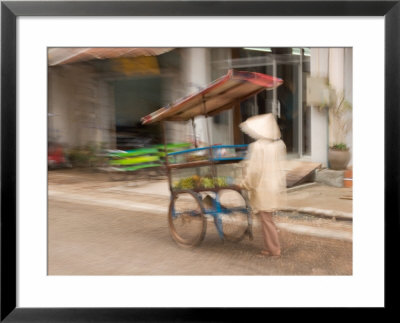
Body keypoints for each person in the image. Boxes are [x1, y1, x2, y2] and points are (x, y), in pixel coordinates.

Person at [239, 113, 287, 257]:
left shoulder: (258, 146)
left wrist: (245, 184)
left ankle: (273, 249)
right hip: (275, 185)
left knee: (266, 220)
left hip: (263, 188)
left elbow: (254, 171)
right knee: (268, 218)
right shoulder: (280, 144)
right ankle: (270, 246)